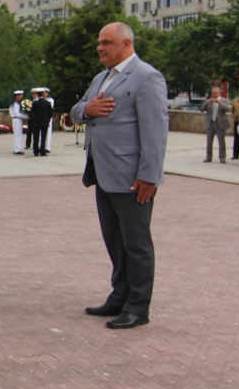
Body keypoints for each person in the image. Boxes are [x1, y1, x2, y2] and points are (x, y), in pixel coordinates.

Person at [70, 22, 168, 330]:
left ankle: (138, 307)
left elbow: (155, 131)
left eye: (106, 42)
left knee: (136, 244)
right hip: (102, 174)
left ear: (126, 44)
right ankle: (120, 297)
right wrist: (89, 107)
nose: (100, 47)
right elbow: (75, 112)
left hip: (132, 180)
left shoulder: (147, 76)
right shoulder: (101, 78)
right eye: (99, 42)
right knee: (114, 240)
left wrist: (149, 176)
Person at [200, 86, 229, 163]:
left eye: (216, 93)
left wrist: (220, 103)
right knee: (209, 141)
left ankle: (222, 157)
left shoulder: (224, 100)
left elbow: (228, 109)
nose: (215, 95)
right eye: (213, 93)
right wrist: (207, 103)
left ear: (219, 93)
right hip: (210, 123)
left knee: (221, 141)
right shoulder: (208, 101)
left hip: (220, 123)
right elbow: (201, 110)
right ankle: (208, 156)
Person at [31, 90, 53, 156]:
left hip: (36, 122)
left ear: (37, 95)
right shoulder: (47, 103)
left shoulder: (35, 103)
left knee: (36, 137)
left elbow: (31, 113)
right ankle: (42, 151)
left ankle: (35, 151)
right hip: (44, 122)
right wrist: (48, 120)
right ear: (43, 94)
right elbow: (50, 114)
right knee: (43, 137)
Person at [9, 90, 27, 155]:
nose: (21, 96)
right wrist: (27, 116)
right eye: (20, 95)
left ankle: (17, 148)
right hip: (17, 119)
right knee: (18, 134)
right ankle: (17, 149)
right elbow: (17, 114)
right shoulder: (15, 104)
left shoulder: (16, 103)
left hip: (18, 119)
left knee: (18, 134)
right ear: (17, 96)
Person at [43, 87, 55, 154]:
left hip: (48, 117)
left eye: (45, 93)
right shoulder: (40, 99)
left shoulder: (50, 100)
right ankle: (42, 146)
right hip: (42, 118)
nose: (44, 94)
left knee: (48, 133)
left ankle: (47, 147)